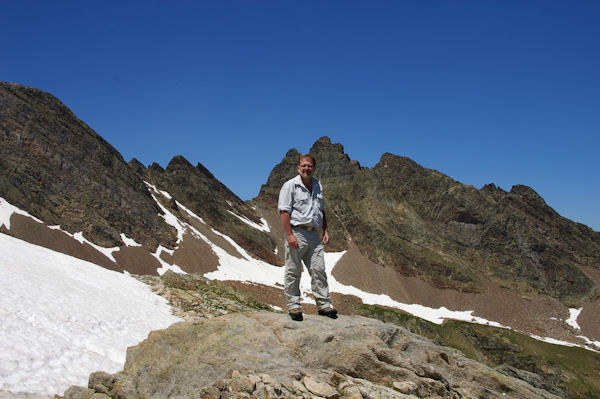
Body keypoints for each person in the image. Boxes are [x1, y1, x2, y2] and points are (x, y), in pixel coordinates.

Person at [278, 154, 337, 321]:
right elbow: (283, 211)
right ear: (298, 168)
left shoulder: (318, 185)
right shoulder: (290, 186)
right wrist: (289, 234)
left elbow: (321, 209)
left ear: (314, 168)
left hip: (314, 234)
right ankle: (294, 306)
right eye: (303, 166)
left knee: (318, 269)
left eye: (309, 166)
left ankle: (324, 304)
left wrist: (325, 229)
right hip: (296, 232)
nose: (306, 168)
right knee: (293, 270)